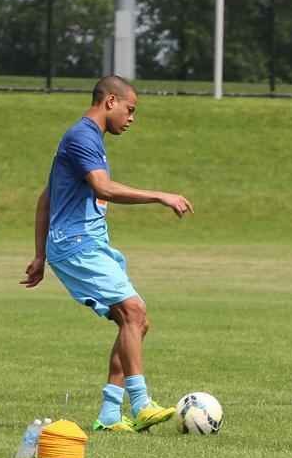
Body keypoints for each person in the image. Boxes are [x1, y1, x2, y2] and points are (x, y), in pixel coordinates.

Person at [21, 75, 194, 433]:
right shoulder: (82, 137)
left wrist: (40, 254)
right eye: (130, 110)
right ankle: (142, 403)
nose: (131, 119)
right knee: (134, 311)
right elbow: (103, 187)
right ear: (110, 101)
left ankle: (111, 415)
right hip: (77, 245)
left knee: (135, 322)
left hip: (87, 244)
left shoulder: (85, 139)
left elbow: (45, 197)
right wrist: (160, 195)